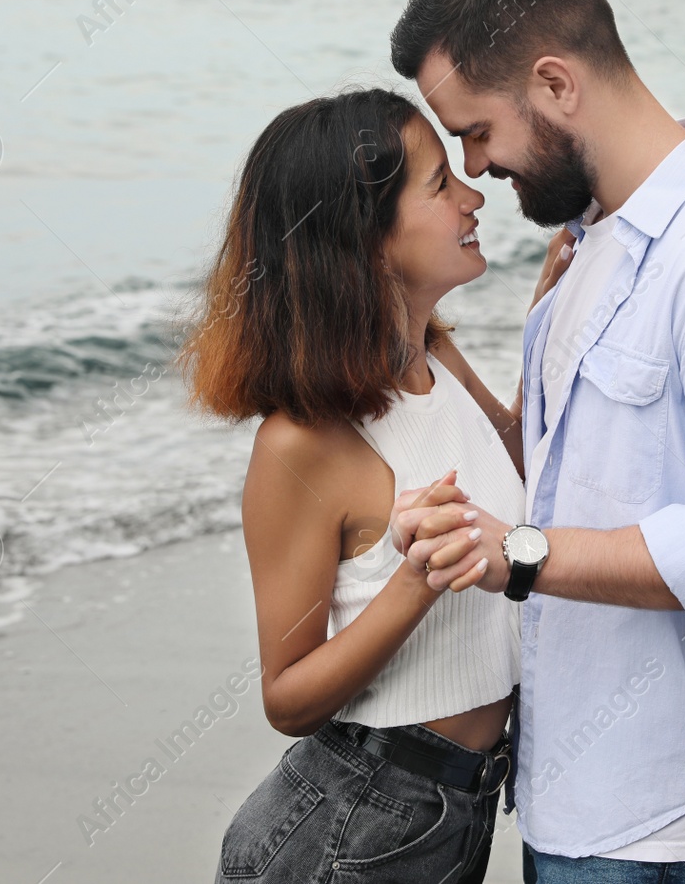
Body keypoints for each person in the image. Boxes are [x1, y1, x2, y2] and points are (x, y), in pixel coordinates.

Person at [386, 0, 685, 884]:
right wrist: (423, 327)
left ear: (555, 85)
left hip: (669, 809)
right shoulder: (590, 247)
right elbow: (561, 476)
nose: (473, 167)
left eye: (475, 130)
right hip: (574, 785)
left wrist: (514, 555)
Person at [176, 86, 572, 883]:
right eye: (437, 184)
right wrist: (414, 583)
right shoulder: (302, 445)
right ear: (366, 238)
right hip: (349, 828)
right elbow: (287, 698)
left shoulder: (433, 356)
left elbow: (523, 470)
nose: (473, 192)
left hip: (455, 811)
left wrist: (550, 322)